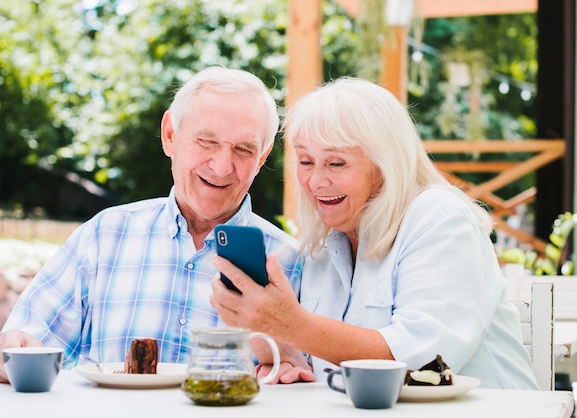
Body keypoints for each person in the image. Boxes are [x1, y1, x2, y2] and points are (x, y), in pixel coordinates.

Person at [210, 77, 540, 389]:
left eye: (336, 164)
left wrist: (292, 325)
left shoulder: (439, 217)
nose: (315, 181)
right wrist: (289, 359)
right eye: (306, 162)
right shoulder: (325, 247)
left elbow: (424, 363)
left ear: (385, 165)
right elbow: (334, 364)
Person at [0, 66, 306, 383]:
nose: (222, 167)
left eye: (243, 149)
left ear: (262, 158)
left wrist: (289, 373)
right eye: (206, 141)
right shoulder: (102, 236)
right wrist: (11, 352)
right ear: (170, 136)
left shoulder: (293, 266)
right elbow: (26, 341)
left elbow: (310, 382)